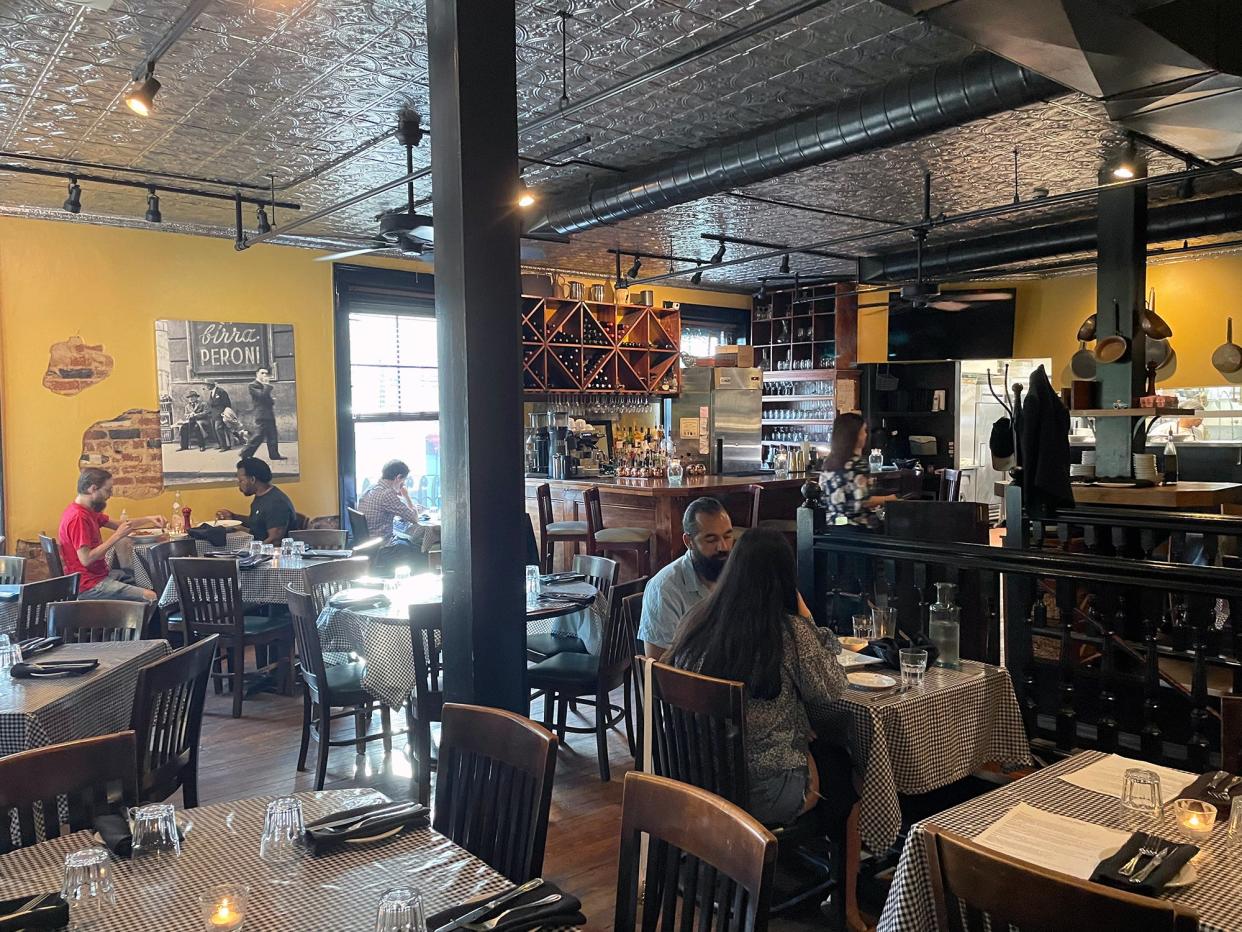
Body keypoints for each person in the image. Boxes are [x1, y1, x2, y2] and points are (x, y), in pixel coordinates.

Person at [667, 527, 854, 829]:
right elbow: (833, 688)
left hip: (696, 776)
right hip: (758, 793)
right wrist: (808, 620)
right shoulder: (790, 632)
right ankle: (842, 867)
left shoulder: (698, 618)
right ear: (785, 578)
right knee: (843, 764)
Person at [637, 497, 734, 659]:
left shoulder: (735, 574)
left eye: (728, 536)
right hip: (689, 682)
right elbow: (659, 669)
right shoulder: (665, 588)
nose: (723, 547)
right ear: (689, 541)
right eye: (711, 539)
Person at [59, 467, 165, 602]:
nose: (109, 495)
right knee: (152, 597)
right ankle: (139, 621)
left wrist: (149, 519)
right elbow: (86, 559)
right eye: (107, 490)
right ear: (93, 489)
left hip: (97, 577)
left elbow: (120, 524)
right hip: (88, 586)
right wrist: (117, 536)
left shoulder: (87, 511)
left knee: (140, 580)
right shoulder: (78, 518)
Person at [819, 412, 893, 526]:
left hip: (831, 526)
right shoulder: (857, 463)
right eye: (863, 431)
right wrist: (891, 499)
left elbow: (823, 499)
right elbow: (863, 501)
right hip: (856, 528)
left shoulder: (828, 462)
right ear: (855, 435)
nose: (866, 435)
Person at [357, 459, 426, 569]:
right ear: (398, 478)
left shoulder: (371, 488)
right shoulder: (386, 494)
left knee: (407, 542)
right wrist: (406, 496)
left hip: (368, 544)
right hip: (382, 548)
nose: (403, 485)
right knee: (421, 551)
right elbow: (414, 518)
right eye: (403, 481)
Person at [216, 456, 296, 544]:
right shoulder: (262, 496)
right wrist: (233, 517)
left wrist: (250, 552)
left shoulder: (276, 503)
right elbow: (258, 522)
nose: (238, 484)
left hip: (270, 555)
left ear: (252, 479)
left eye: (241, 480)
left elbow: (275, 540)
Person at [240, 368, 284, 460]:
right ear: (257, 374)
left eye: (266, 373)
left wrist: (271, 400)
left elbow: (269, 401)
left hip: (269, 414)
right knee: (258, 436)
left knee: (272, 435)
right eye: (262, 373)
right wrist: (267, 385)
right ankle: (245, 453)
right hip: (261, 414)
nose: (264, 375)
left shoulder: (263, 386)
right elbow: (261, 396)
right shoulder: (253, 385)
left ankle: (274, 455)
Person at [204, 380, 233, 451]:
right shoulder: (212, 393)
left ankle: (224, 446)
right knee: (215, 430)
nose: (206, 387)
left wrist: (225, 412)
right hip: (213, 414)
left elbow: (227, 403)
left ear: (212, 385)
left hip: (220, 414)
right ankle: (220, 444)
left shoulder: (221, 391)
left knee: (218, 428)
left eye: (208, 385)